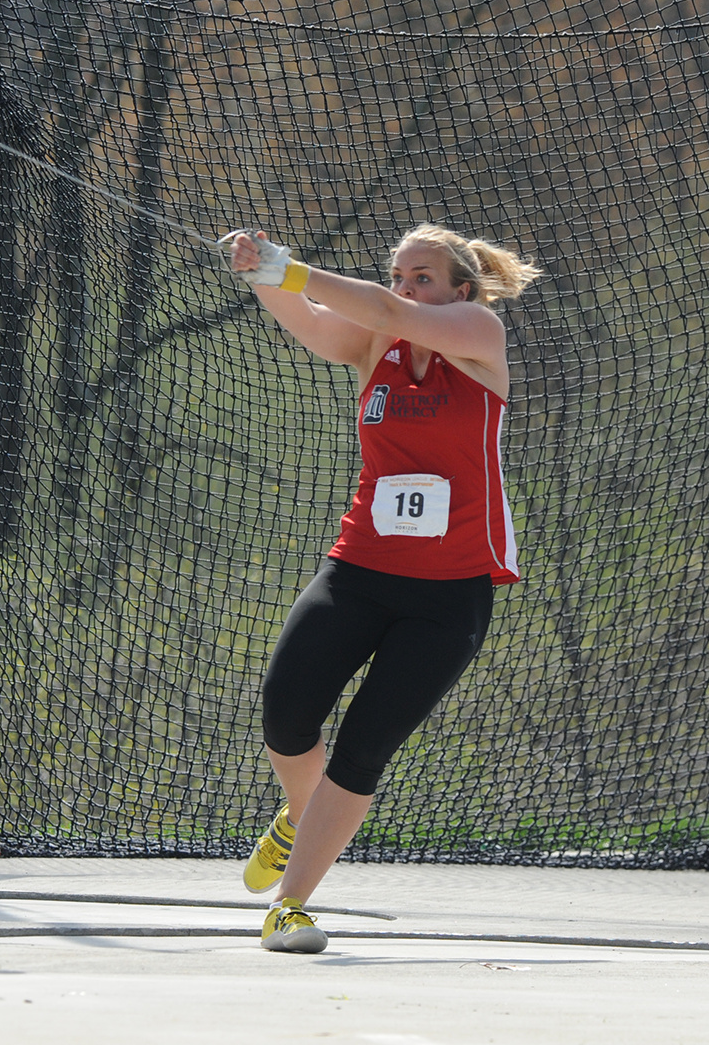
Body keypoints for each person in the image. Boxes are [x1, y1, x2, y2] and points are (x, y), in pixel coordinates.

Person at [220, 223, 541, 953]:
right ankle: (302, 816)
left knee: (362, 752)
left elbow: (388, 312)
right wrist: (262, 274)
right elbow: (313, 320)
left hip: (448, 594)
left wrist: (290, 266)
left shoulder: (478, 333)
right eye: (396, 275)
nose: (404, 289)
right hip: (360, 571)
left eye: (421, 277)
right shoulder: (372, 346)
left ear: (459, 290)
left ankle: (291, 905)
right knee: (286, 719)